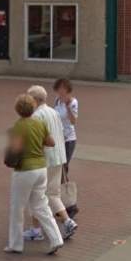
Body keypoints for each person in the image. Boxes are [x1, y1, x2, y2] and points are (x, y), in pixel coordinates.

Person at [4, 94, 64, 255]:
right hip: (41, 169)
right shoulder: (39, 123)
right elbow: (51, 142)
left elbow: (15, 150)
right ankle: (56, 238)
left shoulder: (19, 126)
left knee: (18, 207)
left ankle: (15, 244)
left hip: (25, 170)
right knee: (41, 205)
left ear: (18, 110)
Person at [23, 85, 77, 242]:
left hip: (44, 160)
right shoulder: (53, 112)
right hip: (58, 157)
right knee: (53, 193)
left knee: (36, 194)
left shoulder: (36, 116)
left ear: (34, 100)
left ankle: (36, 230)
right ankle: (67, 221)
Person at [53, 78, 79, 217]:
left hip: (68, 140)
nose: (59, 92)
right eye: (58, 89)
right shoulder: (57, 101)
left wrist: (68, 106)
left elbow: (74, 121)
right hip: (58, 139)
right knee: (59, 171)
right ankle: (63, 203)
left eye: (61, 89)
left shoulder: (73, 102)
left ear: (67, 89)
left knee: (63, 169)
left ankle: (71, 205)